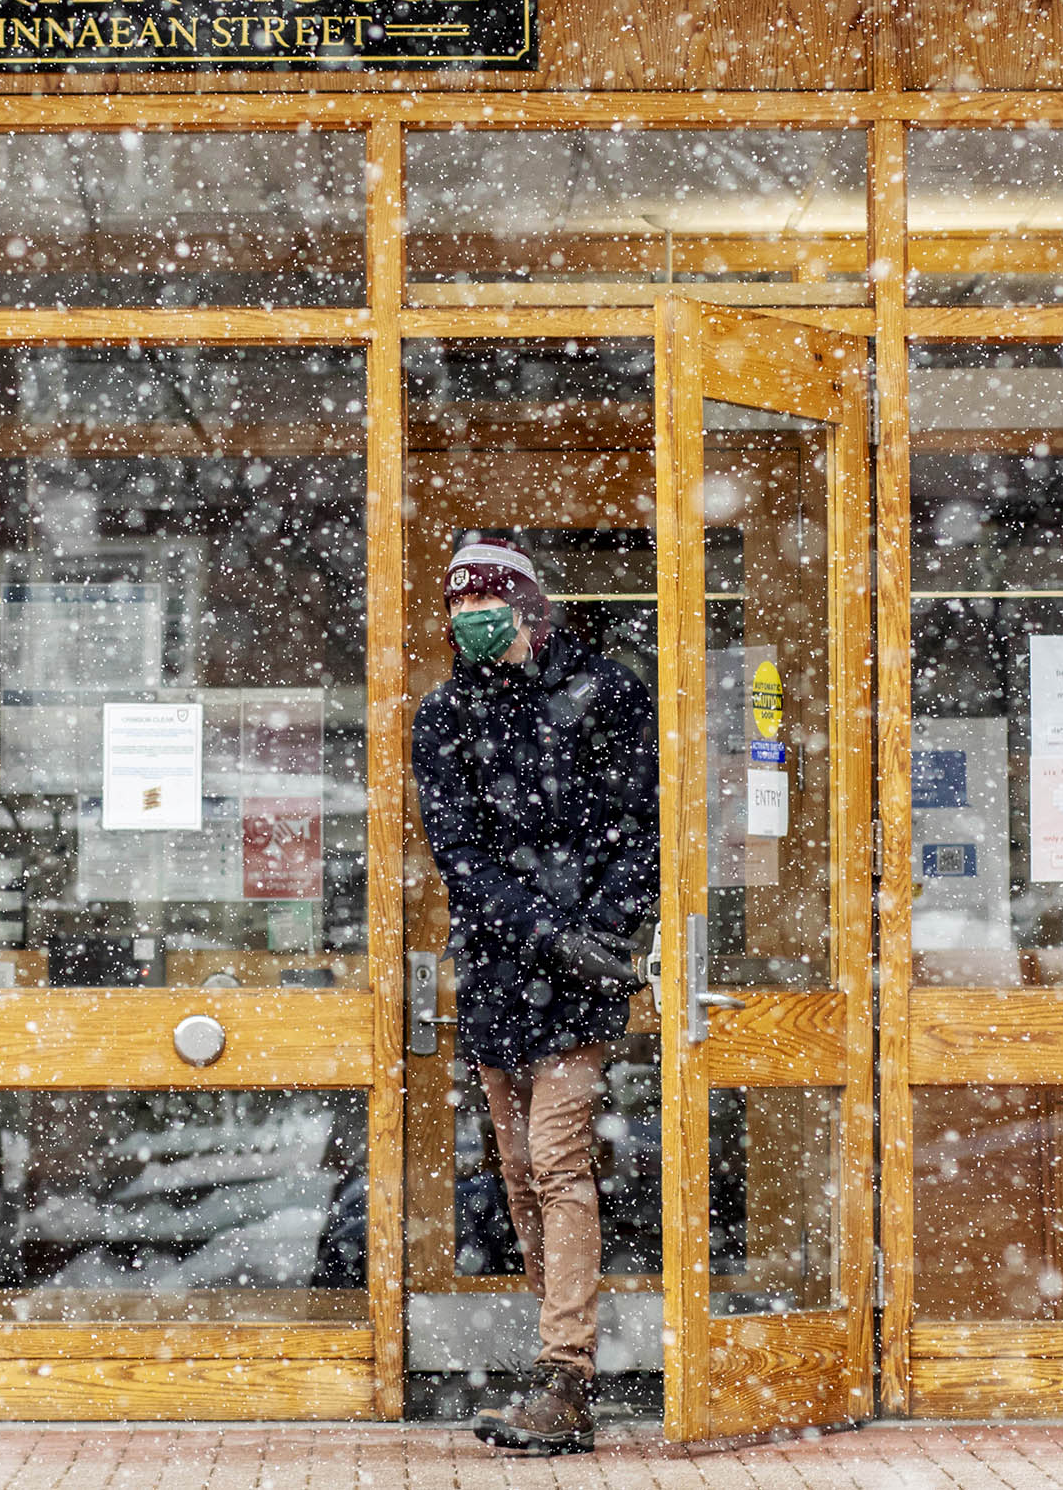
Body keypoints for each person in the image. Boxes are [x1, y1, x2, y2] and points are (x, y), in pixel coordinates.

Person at [411, 537, 661, 1456]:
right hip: (498, 969)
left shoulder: (606, 695)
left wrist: (602, 931)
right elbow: (460, 857)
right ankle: (559, 1371)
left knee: (558, 1162)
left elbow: (644, 826)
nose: (474, 625)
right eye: (460, 611)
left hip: (580, 981)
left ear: (530, 610)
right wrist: (549, 935)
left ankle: (567, 1372)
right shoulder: (444, 717)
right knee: (519, 1176)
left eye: (490, 607)